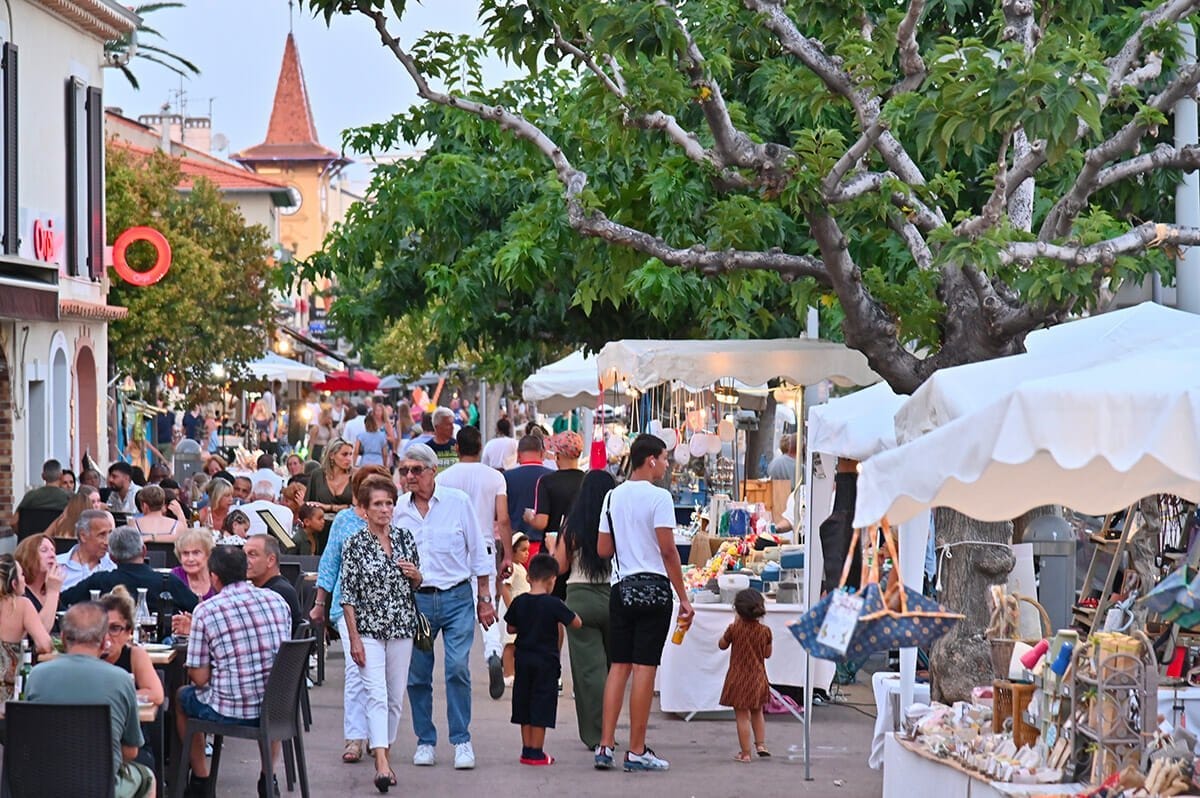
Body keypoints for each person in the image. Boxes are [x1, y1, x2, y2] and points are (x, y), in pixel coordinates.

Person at [595, 434, 694, 772]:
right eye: (664, 459)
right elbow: (668, 550)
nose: (666, 465)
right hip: (655, 590)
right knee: (645, 669)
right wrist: (684, 597)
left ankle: (605, 745)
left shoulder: (611, 497)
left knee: (618, 666)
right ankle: (636, 750)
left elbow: (603, 550)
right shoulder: (659, 498)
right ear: (650, 460)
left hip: (621, 589)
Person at [394, 444, 496, 770]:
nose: (410, 476)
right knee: (418, 675)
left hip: (456, 598)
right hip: (417, 600)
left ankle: (461, 740)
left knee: (457, 669)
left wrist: (484, 598)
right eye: (405, 470)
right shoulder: (398, 509)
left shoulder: (457, 502)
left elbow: (478, 552)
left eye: (416, 470)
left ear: (432, 471)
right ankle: (425, 740)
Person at [175, 546, 291, 798]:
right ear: (245, 570)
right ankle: (267, 777)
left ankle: (201, 780)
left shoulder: (206, 611)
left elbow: (200, 678)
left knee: (183, 696)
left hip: (231, 710)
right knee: (267, 684)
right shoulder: (278, 601)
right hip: (278, 708)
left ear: (214, 577)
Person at [341, 477, 423, 792]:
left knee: (394, 697)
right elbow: (347, 595)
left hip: (402, 626)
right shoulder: (356, 543)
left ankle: (384, 750)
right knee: (375, 693)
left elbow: (415, 582)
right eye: (377, 504)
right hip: (368, 629)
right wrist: (354, 639)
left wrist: (416, 576)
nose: (385, 509)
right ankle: (381, 763)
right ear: (364, 509)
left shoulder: (405, 538)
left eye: (389, 503)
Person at [25, 603, 154, 798]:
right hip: (101, 785)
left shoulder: (36, 676)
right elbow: (131, 751)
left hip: (45, 782)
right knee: (147, 777)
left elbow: (32, 739)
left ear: (63, 638)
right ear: (104, 642)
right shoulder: (121, 680)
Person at [311, 465, 390, 764]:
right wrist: (319, 602)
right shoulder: (344, 520)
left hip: (386, 610)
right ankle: (355, 738)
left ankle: (379, 738)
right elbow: (330, 562)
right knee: (357, 671)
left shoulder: (392, 520)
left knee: (382, 678)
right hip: (348, 609)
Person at [435, 426, 514, 698]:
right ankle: (492, 651)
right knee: (487, 602)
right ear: (481, 448)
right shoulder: (495, 478)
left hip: (453, 548)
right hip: (485, 545)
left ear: (456, 448)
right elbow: (502, 518)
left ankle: (459, 661)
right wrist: (508, 555)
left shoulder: (443, 478)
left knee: (457, 604)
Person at [553, 469, 616, 749]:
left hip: (581, 597)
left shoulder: (573, 524)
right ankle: (611, 732)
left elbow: (561, 566)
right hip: (614, 596)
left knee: (589, 673)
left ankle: (596, 736)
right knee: (615, 668)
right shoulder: (617, 520)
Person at [505, 553, 580, 766]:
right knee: (541, 705)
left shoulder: (520, 602)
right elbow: (576, 623)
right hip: (546, 663)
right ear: (552, 580)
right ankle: (537, 752)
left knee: (524, 703)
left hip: (524, 659)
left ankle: (526, 749)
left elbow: (511, 627)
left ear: (529, 577)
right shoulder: (554, 604)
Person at [61, 526, 198, 613]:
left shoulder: (98, 581)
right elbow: (198, 609)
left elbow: (63, 600)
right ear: (144, 551)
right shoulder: (168, 582)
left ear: (112, 557)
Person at [719, 589, 773, 762]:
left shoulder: (734, 629)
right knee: (758, 712)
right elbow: (767, 654)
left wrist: (732, 627)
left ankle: (745, 753)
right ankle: (761, 744)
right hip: (757, 678)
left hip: (738, 678)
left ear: (737, 609)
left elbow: (721, 645)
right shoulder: (765, 631)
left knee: (742, 716)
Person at [99, 587, 165, 707]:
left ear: (129, 632)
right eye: (100, 628)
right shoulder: (86, 653)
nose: (106, 636)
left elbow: (156, 694)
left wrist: (112, 698)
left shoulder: (135, 655)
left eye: (114, 628)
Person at [0, 554, 54, 692]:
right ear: (14, 583)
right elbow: (45, 645)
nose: (24, 580)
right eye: (22, 575)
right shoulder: (21, 605)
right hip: (9, 692)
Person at [505, 436, 551, 555]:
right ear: (542, 453)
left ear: (518, 454)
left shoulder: (506, 477)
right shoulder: (552, 477)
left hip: (515, 546)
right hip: (545, 545)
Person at [245, 535, 302, 631]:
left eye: (252, 554)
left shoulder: (278, 593)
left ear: (271, 560)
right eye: (243, 555)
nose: (245, 560)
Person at [308, 439, 355, 554]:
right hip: (321, 530)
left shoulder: (355, 476)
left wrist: (329, 507)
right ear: (332, 455)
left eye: (350, 454)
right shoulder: (317, 475)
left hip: (347, 529)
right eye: (344, 454)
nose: (348, 459)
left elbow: (359, 507)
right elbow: (310, 503)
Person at [14, 534, 64, 631]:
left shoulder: (48, 590)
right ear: (27, 556)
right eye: (44, 550)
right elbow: (38, 633)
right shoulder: (19, 592)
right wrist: (53, 592)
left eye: (53, 550)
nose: (52, 555)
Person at [500, 533, 532, 685]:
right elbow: (505, 588)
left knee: (518, 643)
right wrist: (512, 608)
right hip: (512, 609)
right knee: (510, 643)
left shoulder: (521, 568)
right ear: (512, 551)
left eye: (528, 550)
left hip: (522, 610)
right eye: (523, 550)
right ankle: (507, 674)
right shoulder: (512, 568)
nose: (527, 553)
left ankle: (514, 671)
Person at [57, 509, 116, 589]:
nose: (107, 542)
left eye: (110, 534)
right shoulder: (56, 566)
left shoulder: (114, 566)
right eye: (102, 535)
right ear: (83, 536)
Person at [15, 459, 71, 534]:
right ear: (61, 476)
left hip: (32, 543)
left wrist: (24, 536)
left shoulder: (30, 496)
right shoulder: (69, 498)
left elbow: (13, 521)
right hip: (58, 543)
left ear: (43, 476)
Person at [171, 527, 216, 603]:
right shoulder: (175, 576)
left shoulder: (217, 576)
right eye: (185, 553)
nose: (190, 559)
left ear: (208, 554)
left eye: (196, 553)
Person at [353, 404, 392, 469]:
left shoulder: (361, 436)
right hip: (378, 462)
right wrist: (385, 465)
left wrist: (353, 464)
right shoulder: (382, 435)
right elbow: (385, 453)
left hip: (365, 462)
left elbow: (356, 451)